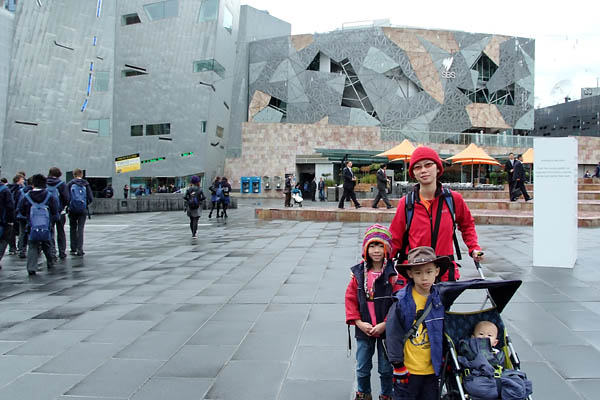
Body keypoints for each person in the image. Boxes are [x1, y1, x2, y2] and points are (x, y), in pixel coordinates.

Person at [389, 146, 483, 285]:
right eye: (417, 167)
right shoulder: (406, 203)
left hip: (444, 273)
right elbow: (394, 238)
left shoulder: (453, 199)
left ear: (438, 168)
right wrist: (370, 264)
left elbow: (467, 224)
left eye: (428, 165)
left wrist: (474, 248)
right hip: (415, 274)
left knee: (443, 307)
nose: (423, 170)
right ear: (413, 173)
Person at [385, 246, 451, 400]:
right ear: (410, 274)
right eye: (418, 273)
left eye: (429, 272)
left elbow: (444, 331)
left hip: (432, 370)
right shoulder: (402, 302)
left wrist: (446, 357)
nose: (424, 278)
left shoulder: (440, 300)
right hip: (409, 370)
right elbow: (393, 334)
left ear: (436, 271)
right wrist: (397, 365)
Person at [345, 224, 401, 400]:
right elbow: (350, 299)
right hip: (364, 328)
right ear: (365, 248)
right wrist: (359, 323)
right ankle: (363, 393)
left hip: (386, 330)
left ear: (387, 248)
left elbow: (398, 303)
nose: (376, 250)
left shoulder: (393, 275)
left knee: (386, 367)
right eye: (372, 246)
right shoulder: (358, 274)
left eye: (380, 246)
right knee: (362, 365)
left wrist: (385, 323)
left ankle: (386, 394)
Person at [458, 321, 533, 400]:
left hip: (499, 377)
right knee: (474, 386)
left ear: (495, 342)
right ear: (473, 337)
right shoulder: (470, 347)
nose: (484, 337)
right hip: (480, 378)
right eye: (481, 334)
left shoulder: (498, 352)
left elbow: (502, 366)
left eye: (489, 335)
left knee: (520, 383)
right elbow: (468, 361)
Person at [18, 174, 60, 275]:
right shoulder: (49, 196)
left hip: (32, 226)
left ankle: (31, 267)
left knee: (32, 245)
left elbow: (21, 210)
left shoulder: (27, 196)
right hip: (46, 225)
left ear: (33, 184)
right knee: (47, 243)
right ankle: (50, 261)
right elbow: (55, 210)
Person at [67, 168, 93, 256]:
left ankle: (73, 247)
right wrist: (85, 204)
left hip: (72, 209)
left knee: (72, 227)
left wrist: (70, 204)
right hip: (82, 209)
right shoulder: (86, 184)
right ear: (81, 175)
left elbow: (66, 196)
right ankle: (80, 249)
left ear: (74, 175)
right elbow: (90, 198)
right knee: (80, 228)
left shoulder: (70, 183)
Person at [47, 167, 70, 260]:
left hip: (48, 212)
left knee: (50, 231)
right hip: (60, 212)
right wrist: (62, 207)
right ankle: (62, 252)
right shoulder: (62, 184)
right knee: (61, 231)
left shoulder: (45, 183)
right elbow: (66, 198)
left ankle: (52, 251)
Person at [6, 174, 24, 255]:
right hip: (17, 212)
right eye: (22, 179)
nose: (23, 181)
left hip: (10, 212)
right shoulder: (20, 189)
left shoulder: (9, 188)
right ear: (18, 180)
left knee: (11, 231)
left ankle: (12, 248)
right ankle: (20, 247)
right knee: (21, 231)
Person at [0, 178, 15, 270]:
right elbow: (10, 206)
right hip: (3, 221)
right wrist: (10, 220)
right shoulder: (4, 190)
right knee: (3, 240)